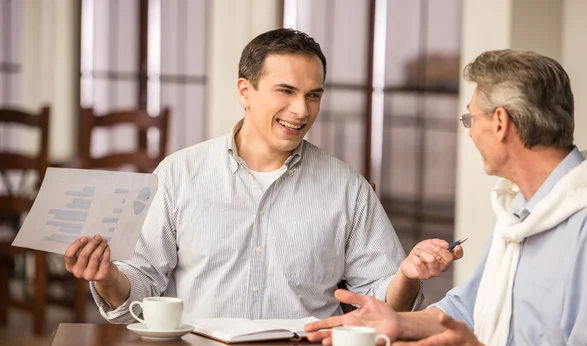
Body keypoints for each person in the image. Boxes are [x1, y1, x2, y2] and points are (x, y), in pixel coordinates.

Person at [63, 29, 462, 324]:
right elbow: (144, 280)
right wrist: (109, 277)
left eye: (313, 95)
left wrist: (406, 275)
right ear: (245, 91)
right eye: (285, 91)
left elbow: (383, 303)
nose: (301, 110)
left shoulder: (346, 188)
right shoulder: (178, 174)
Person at [306, 49, 587, 346]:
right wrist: (395, 321)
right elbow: (466, 309)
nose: (471, 133)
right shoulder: (520, 210)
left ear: (501, 122)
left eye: (470, 119)